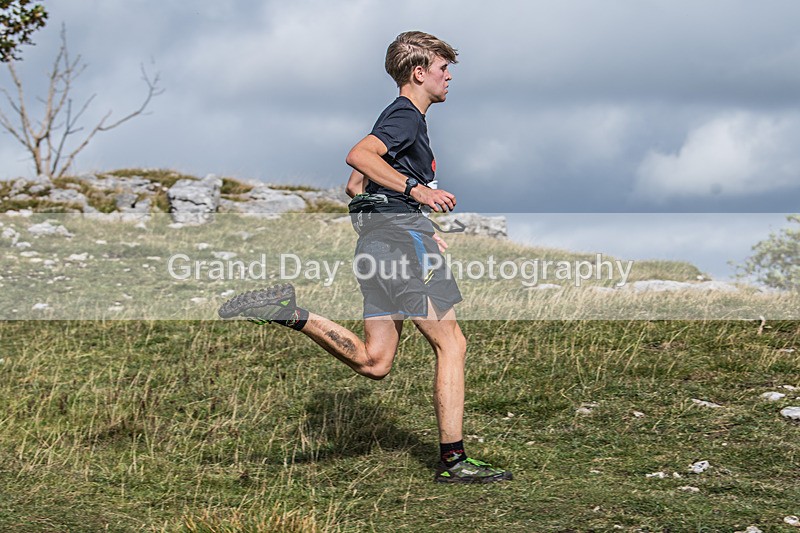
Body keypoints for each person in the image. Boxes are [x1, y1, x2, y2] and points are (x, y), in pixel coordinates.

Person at [219, 31, 512, 484]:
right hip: (399, 244)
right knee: (452, 344)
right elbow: (358, 156)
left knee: (376, 361)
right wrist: (416, 196)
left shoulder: (396, 120)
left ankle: (291, 312)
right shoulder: (405, 116)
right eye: (442, 69)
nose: (448, 77)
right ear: (419, 73)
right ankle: (454, 462)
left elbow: (356, 185)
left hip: (378, 244)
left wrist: (403, 219)